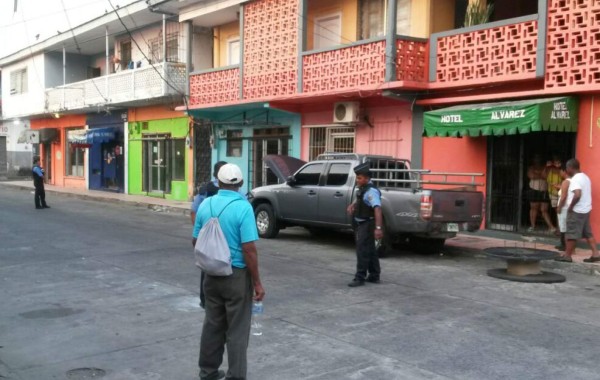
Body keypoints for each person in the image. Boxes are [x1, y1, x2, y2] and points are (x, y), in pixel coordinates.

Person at [192, 163, 265, 380]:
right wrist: (258, 282)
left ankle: (208, 372)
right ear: (241, 184)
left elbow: (196, 240)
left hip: (211, 275)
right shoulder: (243, 208)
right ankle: (235, 376)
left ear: (219, 182)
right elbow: (249, 249)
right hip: (236, 276)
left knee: (212, 325)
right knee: (237, 330)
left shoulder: (206, 204)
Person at [191, 161, 228, 309]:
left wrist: (200, 231)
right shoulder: (235, 191)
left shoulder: (204, 190)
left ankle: (204, 300)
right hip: (227, 237)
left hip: (207, 237)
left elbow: (194, 211)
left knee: (207, 267)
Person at [346, 162, 383, 287]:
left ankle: (359, 277)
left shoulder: (371, 192)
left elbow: (377, 209)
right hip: (362, 223)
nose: (357, 180)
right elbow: (361, 199)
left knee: (362, 250)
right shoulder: (363, 189)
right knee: (370, 250)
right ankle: (374, 275)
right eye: (357, 177)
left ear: (367, 179)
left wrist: (378, 228)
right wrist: (353, 205)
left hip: (368, 224)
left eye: (360, 178)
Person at [556, 158, 600, 263]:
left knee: (571, 234)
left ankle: (567, 255)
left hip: (577, 211)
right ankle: (595, 254)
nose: (566, 170)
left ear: (570, 167)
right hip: (586, 210)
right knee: (588, 234)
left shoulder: (576, 179)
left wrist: (571, 207)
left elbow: (577, 194)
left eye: (567, 168)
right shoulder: (585, 177)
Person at [527, 154, 555, 233]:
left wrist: (538, 174)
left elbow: (546, 176)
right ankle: (533, 226)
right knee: (533, 208)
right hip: (534, 189)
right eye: (536, 158)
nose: (537, 160)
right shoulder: (531, 167)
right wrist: (541, 175)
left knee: (544, 209)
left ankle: (551, 227)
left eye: (539, 158)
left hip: (544, 190)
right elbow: (531, 176)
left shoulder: (545, 167)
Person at [554, 164, 571, 251]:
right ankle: (564, 244)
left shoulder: (566, 182)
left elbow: (564, 196)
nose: (559, 173)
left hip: (564, 208)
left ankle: (564, 245)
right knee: (564, 226)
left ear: (564, 171)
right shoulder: (570, 181)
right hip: (567, 207)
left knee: (563, 226)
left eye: (560, 171)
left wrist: (559, 207)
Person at [544, 155, 563, 232]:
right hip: (552, 193)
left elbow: (565, 178)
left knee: (560, 211)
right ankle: (558, 228)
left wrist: (558, 168)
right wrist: (546, 167)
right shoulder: (549, 170)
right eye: (554, 161)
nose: (556, 163)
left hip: (561, 192)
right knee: (557, 210)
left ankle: (560, 228)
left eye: (557, 161)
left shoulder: (561, 170)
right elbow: (543, 176)